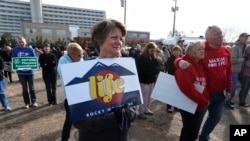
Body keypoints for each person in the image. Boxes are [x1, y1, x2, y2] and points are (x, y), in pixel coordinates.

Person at [73, 19, 137, 141]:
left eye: (121, 38)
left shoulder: (127, 70)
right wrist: (114, 118)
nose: (119, 42)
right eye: (114, 37)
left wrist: (129, 113)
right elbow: (79, 120)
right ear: (100, 40)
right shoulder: (82, 72)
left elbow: (135, 108)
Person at [176, 26, 232, 141]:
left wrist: (229, 89)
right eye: (217, 34)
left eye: (221, 33)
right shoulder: (201, 48)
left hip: (219, 93)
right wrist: (178, 61)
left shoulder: (225, 50)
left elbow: (229, 71)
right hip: (203, 95)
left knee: (215, 119)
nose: (220, 35)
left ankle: (204, 136)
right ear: (208, 37)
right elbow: (185, 58)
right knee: (193, 126)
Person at [175, 41, 209, 141]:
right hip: (190, 105)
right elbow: (188, 90)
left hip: (200, 105)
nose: (202, 51)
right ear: (192, 52)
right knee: (191, 133)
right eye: (199, 49)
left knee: (191, 131)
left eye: (203, 49)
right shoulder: (184, 67)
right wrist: (205, 101)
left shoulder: (200, 64)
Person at [57, 42, 84, 141]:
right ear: (72, 54)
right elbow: (66, 75)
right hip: (69, 96)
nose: (81, 57)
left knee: (83, 118)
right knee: (69, 119)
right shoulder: (63, 61)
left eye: (82, 54)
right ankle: (64, 138)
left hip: (81, 94)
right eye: (79, 55)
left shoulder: (80, 59)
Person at [137, 42, 162, 119]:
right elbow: (142, 69)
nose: (153, 51)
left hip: (151, 80)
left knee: (149, 96)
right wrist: (153, 70)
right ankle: (141, 111)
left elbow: (159, 67)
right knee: (144, 96)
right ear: (147, 49)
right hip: (144, 80)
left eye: (154, 50)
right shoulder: (142, 57)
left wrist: (157, 59)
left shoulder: (154, 58)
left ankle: (147, 108)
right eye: (152, 50)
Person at [11, 37, 37, 109]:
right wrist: (21, 68)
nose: (21, 43)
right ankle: (27, 103)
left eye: (22, 42)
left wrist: (29, 67)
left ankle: (34, 101)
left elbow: (34, 60)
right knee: (24, 89)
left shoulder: (30, 49)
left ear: (25, 42)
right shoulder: (14, 50)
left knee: (32, 88)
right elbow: (14, 60)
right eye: (20, 42)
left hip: (30, 72)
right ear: (18, 43)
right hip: (21, 73)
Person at [225, 33, 249, 109]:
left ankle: (229, 100)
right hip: (234, 70)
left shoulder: (244, 47)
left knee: (236, 88)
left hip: (240, 71)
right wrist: (243, 59)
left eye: (247, 37)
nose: (246, 39)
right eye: (245, 37)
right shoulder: (235, 47)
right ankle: (226, 103)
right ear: (240, 37)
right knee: (233, 88)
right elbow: (232, 60)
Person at [165, 45, 182, 113]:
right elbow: (169, 69)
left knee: (178, 93)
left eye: (177, 50)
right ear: (172, 51)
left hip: (180, 79)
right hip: (172, 77)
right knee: (170, 93)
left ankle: (176, 106)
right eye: (175, 50)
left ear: (180, 52)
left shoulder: (182, 58)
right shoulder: (170, 59)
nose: (176, 52)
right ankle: (169, 107)